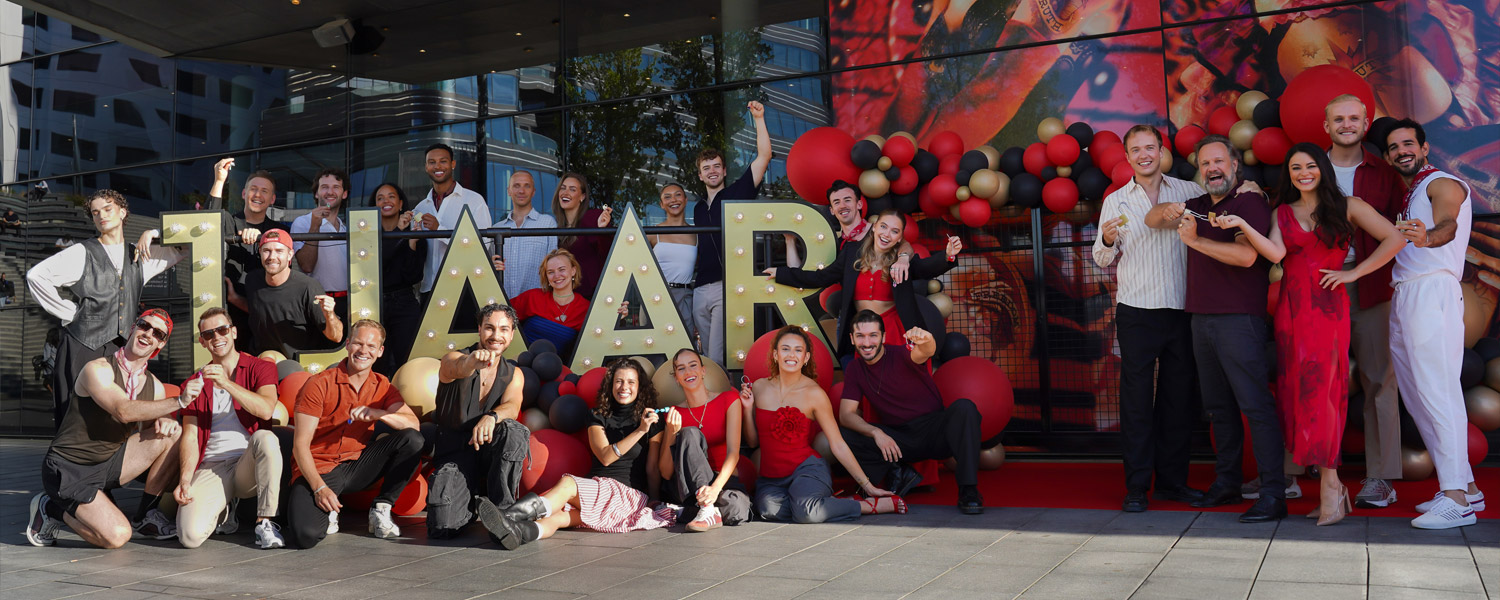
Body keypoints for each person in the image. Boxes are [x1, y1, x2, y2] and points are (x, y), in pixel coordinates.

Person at [1213, 143, 1403, 526]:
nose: (1303, 172)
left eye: (1310, 165)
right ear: (1290, 173)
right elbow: (1276, 254)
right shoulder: (1282, 211)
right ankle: (1330, 486)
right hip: (1290, 314)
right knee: (1297, 398)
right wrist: (1244, 225)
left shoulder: (1347, 205)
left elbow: (1396, 238)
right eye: (1296, 167)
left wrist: (1353, 273)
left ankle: (1331, 485)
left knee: (1324, 396)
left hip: (1328, 313)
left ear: (1322, 169)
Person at [1146, 135, 1287, 523]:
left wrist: (1195, 241)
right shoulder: (1198, 205)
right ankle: (1227, 483)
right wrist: (1169, 210)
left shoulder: (1249, 202)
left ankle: (1274, 492)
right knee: (1218, 410)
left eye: (1219, 161)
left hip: (1239, 319)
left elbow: (1246, 256)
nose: (1212, 169)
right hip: (1201, 319)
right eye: (1205, 163)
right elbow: (1150, 219)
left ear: (1235, 165)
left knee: (1255, 407)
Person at [1093, 125, 1206, 512]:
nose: (1144, 154)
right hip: (1137, 311)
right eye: (1136, 149)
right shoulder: (1116, 201)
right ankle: (1137, 486)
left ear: (1162, 150)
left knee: (1178, 400)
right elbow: (1101, 258)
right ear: (1127, 157)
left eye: (1150, 147)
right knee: (1137, 401)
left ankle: (1173, 483)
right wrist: (1107, 240)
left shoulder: (1189, 192)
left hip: (1181, 308)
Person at [1383, 120, 1485, 529]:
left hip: (1431, 290)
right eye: (1393, 147)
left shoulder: (1443, 182)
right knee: (1418, 394)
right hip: (1406, 292)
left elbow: (1448, 224)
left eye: (1408, 143)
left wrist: (1429, 238)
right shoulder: (1410, 191)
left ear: (1424, 148)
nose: (1401, 151)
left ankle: (1456, 499)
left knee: (1437, 392)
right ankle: (1465, 488)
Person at [25, 308, 191, 549]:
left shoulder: (153, 385)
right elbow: (123, 410)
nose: (148, 334)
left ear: (161, 344)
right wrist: (180, 401)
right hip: (69, 468)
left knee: (173, 434)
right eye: (144, 326)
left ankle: (146, 514)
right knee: (117, 537)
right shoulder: (98, 368)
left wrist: (166, 419)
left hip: (107, 463)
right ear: (133, 328)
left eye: (158, 333)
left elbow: (155, 420)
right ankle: (51, 509)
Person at [476, 359, 675, 550]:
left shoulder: (650, 423)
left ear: (640, 387)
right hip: (598, 489)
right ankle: (518, 533)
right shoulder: (597, 416)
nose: (624, 387)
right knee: (559, 517)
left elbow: (652, 469)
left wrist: (654, 500)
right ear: (611, 385)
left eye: (631, 382)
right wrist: (639, 430)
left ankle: (508, 516)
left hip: (628, 495)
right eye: (619, 381)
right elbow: (605, 456)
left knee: (568, 484)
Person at [28, 190, 183, 429]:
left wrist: (153, 232)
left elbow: (186, 245)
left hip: (120, 347)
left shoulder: (140, 255)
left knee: (115, 418)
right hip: (83, 345)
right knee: (76, 417)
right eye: (95, 212)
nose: (101, 216)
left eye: (108, 209)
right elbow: (36, 276)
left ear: (123, 212)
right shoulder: (82, 252)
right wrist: (71, 313)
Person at [1323, 95, 1408, 510]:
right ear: (1326, 126)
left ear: (1365, 122)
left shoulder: (1384, 173)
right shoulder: (1309, 168)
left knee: (1379, 379)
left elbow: (1399, 232)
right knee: (1315, 379)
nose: (1346, 124)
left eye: (1354, 118)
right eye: (1338, 119)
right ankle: (1304, 469)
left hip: (1372, 286)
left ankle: (1380, 478)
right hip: (1319, 288)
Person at [286, 320, 424, 548]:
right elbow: (300, 446)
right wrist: (319, 488)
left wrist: (379, 414)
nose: (363, 351)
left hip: (358, 464)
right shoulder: (318, 384)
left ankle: (381, 507)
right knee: (305, 535)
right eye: (358, 343)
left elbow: (414, 425)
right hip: (320, 468)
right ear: (348, 345)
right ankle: (329, 508)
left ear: (380, 352)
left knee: (412, 439)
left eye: (371, 346)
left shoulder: (382, 385)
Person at [743, 326, 899, 523]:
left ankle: (864, 505)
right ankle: (823, 503)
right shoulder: (759, 387)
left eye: (798, 350)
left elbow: (837, 444)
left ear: (806, 358)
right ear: (775, 354)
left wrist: (868, 486)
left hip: (807, 469)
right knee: (767, 511)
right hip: (771, 478)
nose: (792, 355)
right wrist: (748, 410)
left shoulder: (814, 394)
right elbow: (752, 441)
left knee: (806, 513)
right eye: (785, 349)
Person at [838, 313, 984, 514]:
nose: (867, 342)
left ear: (884, 337)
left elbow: (924, 351)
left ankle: (969, 490)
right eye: (860, 336)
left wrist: (927, 339)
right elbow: (846, 414)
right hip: (898, 440)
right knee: (844, 433)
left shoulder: (901, 354)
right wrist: (876, 433)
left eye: (873, 335)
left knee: (965, 408)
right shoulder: (855, 368)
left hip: (934, 432)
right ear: (852, 339)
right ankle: (898, 473)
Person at [766, 210, 962, 357]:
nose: (887, 234)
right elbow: (821, 278)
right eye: (883, 227)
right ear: (875, 227)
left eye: (894, 231)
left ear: (899, 238)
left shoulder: (901, 261)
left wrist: (948, 256)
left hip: (895, 331)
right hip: (864, 332)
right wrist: (781, 273)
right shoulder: (852, 253)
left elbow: (926, 268)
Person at [172, 307, 286, 548]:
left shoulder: (260, 368)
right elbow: (190, 436)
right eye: (209, 334)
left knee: (266, 437)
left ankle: (265, 521)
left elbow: (266, 409)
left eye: (222, 330)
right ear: (202, 342)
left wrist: (226, 383)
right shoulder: (194, 383)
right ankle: (225, 509)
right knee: (189, 537)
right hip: (213, 466)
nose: (217, 337)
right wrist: (184, 479)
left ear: (233, 332)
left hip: (248, 463)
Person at [427, 303, 531, 539]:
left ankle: (505, 513)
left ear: (512, 334)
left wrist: (492, 417)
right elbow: (457, 368)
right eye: (489, 328)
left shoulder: (514, 373)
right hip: (454, 453)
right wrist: (472, 362)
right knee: (443, 528)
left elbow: (513, 406)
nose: (496, 335)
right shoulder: (455, 358)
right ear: (479, 330)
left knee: (513, 430)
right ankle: (472, 506)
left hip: (488, 452)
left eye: (504, 329)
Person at [692, 101, 772, 366]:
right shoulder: (697, 208)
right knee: (707, 359)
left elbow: (763, 158)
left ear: (724, 170)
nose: (712, 171)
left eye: (716, 166)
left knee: (716, 355)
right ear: (701, 176)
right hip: (699, 289)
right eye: (706, 168)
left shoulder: (738, 193)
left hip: (726, 286)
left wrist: (758, 118)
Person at [656, 348, 751, 531]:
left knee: (737, 510)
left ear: (703, 370)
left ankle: (686, 512)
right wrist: (671, 433)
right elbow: (666, 473)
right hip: (689, 487)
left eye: (693, 366)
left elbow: (733, 453)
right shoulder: (674, 413)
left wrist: (714, 489)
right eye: (681, 368)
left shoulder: (729, 399)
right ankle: (706, 509)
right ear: (676, 377)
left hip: (722, 481)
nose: (688, 372)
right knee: (689, 432)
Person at [209, 157, 288, 352]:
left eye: (264, 191)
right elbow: (207, 222)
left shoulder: (279, 229)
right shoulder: (229, 220)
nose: (258, 195)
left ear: (272, 199)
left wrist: (263, 240)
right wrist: (220, 181)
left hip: (266, 315)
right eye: (253, 189)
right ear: (244, 193)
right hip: (229, 314)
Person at [242, 230, 344, 358]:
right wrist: (233, 298)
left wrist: (329, 314)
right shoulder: (252, 280)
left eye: (279, 251)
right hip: (262, 362)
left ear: (290, 254)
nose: (272, 257)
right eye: (266, 250)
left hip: (299, 365)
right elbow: (257, 307)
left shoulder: (308, 287)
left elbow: (336, 336)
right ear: (260, 253)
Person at [507, 248, 626, 358]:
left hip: (558, 372)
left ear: (573, 271)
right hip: (523, 365)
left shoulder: (585, 308)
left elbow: (603, 338)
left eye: (562, 269)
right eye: (550, 272)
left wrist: (620, 317)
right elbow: (499, 313)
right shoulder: (532, 297)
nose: (557, 276)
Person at [413, 143, 493, 302]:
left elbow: (482, 246)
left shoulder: (474, 201)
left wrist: (440, 230)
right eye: (432, 162)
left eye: (443, 161)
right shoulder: (420, 208)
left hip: (464, 289)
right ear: (426, 167)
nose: (437, 166)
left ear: (453, 164)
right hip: (429, 289)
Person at [371, 184, 427, 377]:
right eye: (380, 198)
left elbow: (413, 276)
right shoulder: (366, 233)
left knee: (408, 360)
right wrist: (399, 233)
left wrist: (411, 242)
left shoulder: (415, 231)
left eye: (391, 196)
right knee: (376, 363)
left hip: (404, 302)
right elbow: (376, 265)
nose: (386, 201)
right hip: (373, 303)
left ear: (401, 203)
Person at [290, 168, 351, 321]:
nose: (330, 192)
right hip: (318, 301)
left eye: (336, 187)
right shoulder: (302, 222)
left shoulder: (347, 227)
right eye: (324, 187)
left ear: (344, 194)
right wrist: (315, 226)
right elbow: (307, 266)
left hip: (347, 302)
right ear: (316, 193)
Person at [495, 170, 558, 299]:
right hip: (502, 303)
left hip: (536, 305)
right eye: (516, 186)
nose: (521, 191)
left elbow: (553, 266)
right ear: (509, 191)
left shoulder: (547, 223)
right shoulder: (497, 228)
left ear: (533, 192)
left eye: (526, 186)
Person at [551, 172, 613, 300]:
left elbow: (608, 252)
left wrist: (602, 229)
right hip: (566, 296)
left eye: (572, 189)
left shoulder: (594, 217)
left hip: (594, 296)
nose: (566, 192)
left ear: (582, 197)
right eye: (563, 188)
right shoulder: (555, 225)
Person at [649, 183, 698, 343]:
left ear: (685, 199)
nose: (673, 200)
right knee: (655, 343)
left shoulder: (696, 234)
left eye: (677, 195)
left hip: (684, 296)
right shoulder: (651, 232)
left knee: (684, 343)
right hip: (656, 296)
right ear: (661, 204)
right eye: (667, 197)